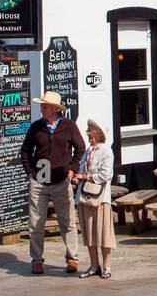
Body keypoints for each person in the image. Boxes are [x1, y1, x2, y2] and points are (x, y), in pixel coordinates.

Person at [20, 90, 85, 275]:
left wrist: (72, 169)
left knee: (68, 222)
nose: (42, 108)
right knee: (36, 223)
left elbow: (80, 148)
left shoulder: (68, 126)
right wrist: (30, 172)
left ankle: (72, 258)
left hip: (60, 180)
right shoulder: (36, 128)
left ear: (55, 109)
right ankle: (37, 260)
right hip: (40, 179)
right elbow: (25, 151)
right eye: (42, 105)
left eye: (45, 106)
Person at [71, 120, 115, 279]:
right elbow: (82, 167)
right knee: (89, 233)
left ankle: (107, 266)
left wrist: (86, 177)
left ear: (97, 131)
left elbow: (106, 175)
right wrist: (78, 178)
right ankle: (94, 265)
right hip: (85, 196)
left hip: (101, 198)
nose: (87, 132)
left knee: (103, 233)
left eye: (90, 130)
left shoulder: (106, 151)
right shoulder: (88, 150)